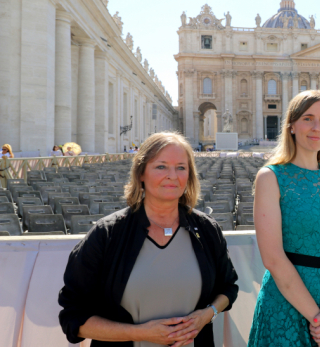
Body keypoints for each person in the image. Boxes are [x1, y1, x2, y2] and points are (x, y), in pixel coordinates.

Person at [58, 132, 239, 347]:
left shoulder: (207, 229)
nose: (173, 175)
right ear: (141, 173)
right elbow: (73, 317)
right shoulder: (107, 234)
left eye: (181, 167)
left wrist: (207, 314)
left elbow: (228, 288)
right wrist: (139, 333)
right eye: (161, 166)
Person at [248, 90, 320, 347]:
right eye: (308, 118)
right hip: (287, 304)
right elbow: (273, 258)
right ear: (292, 125)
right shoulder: (270, 177)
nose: (317, 127)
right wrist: (319, 320)